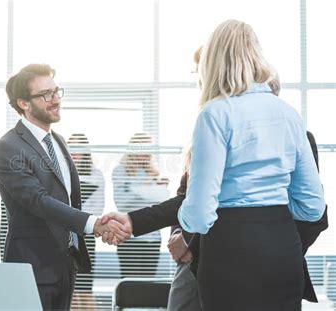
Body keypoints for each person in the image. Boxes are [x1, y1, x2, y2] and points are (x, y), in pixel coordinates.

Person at [102, 39, 327, 309]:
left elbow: (200, 208)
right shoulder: (279, 119)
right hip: (226, 259)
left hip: (230, 256)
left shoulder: (219, 117)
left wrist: (277, 242)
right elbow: (187, 195)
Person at [176, 19, 325, 310]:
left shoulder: (215, 114)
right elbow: (312, 206)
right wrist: (272, 212)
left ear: (213, 60)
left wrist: (185, 216)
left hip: (230, 251)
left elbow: (200, 214)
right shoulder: (288, 114)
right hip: (282, 250)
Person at [0, 64, 130, 310]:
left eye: (56, 92)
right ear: (23, 103)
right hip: (33, 268)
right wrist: (94, 223)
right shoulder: (8, 148)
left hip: (66, 265)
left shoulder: (58, 141)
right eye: (46, 95)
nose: (55, 100)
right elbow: (38, 200)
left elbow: (68, 200)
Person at [112, 133, 170, 278]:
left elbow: (159, 206)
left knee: (146, 287)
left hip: (152, 237)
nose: (145, 152)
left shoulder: (154, 173)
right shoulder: (121, 171)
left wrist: (160, 189)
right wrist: (144, 188)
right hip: (129, 237)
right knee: (130, 286)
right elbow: (121, 202)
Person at [67, 133, 105, 306]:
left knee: (85, 289)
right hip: (66, 235)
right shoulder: (61, 173)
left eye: (79, 148)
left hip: (86, 234)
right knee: (71, 290)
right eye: (72, 147)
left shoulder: (96, 175)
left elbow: (97, 209)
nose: (75, 152)